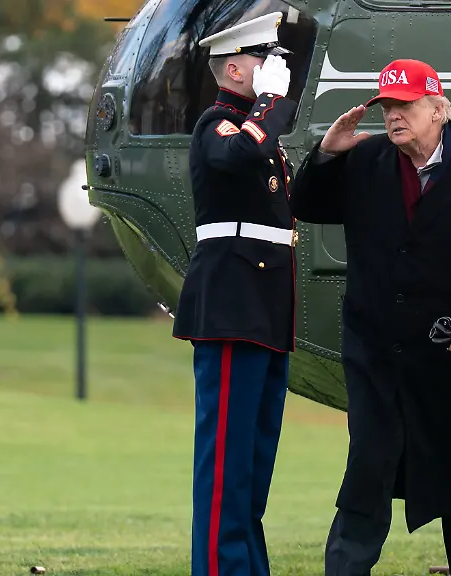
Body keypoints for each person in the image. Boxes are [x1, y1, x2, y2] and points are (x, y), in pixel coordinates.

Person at [291, 58, 451, 575]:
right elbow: (305, 204)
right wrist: (328, 153)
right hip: (378, 355)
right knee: (368, 469)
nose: (394, 116)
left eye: (406, 105)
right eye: (387, 106)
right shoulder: (364, 160)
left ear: (438, 108)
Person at [170, 11, 299, 576]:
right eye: (261, 59)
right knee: (225, 461)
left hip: (264, 310)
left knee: (252, 462)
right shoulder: (218, 125)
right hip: (230, 307)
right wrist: (269, 107)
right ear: (233, 68)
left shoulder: (260, 136)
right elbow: (231, 156)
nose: (273, 68)